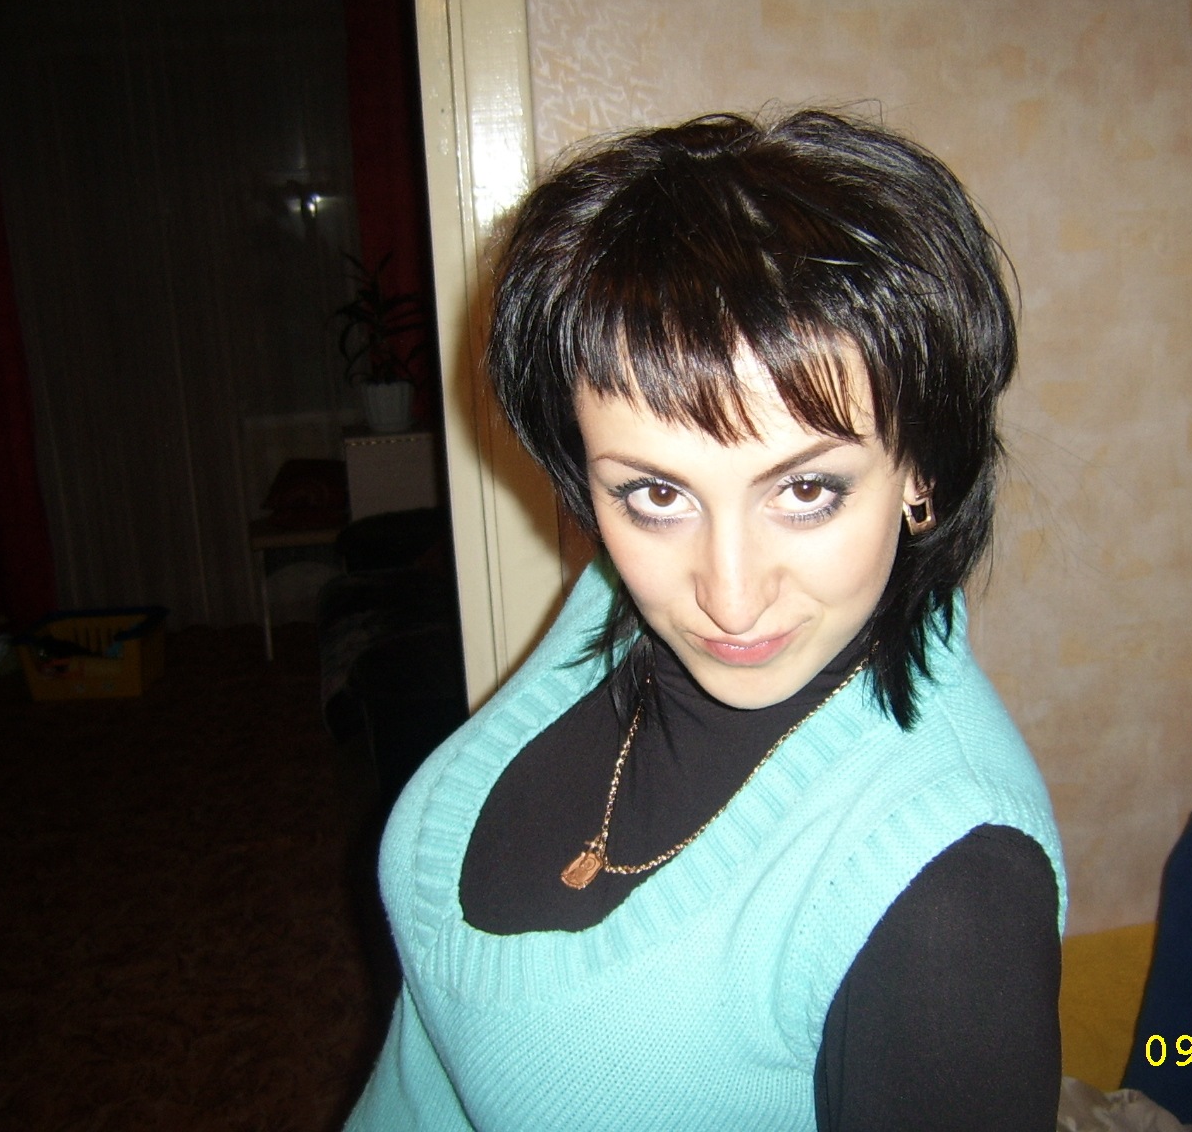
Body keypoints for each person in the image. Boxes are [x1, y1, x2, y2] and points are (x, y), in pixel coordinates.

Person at [346, 109, 1065, 1131]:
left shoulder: (954, 903)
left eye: (805, 490)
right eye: (656, 492)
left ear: (922, 467)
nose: (726, 597)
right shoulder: (616, 592)